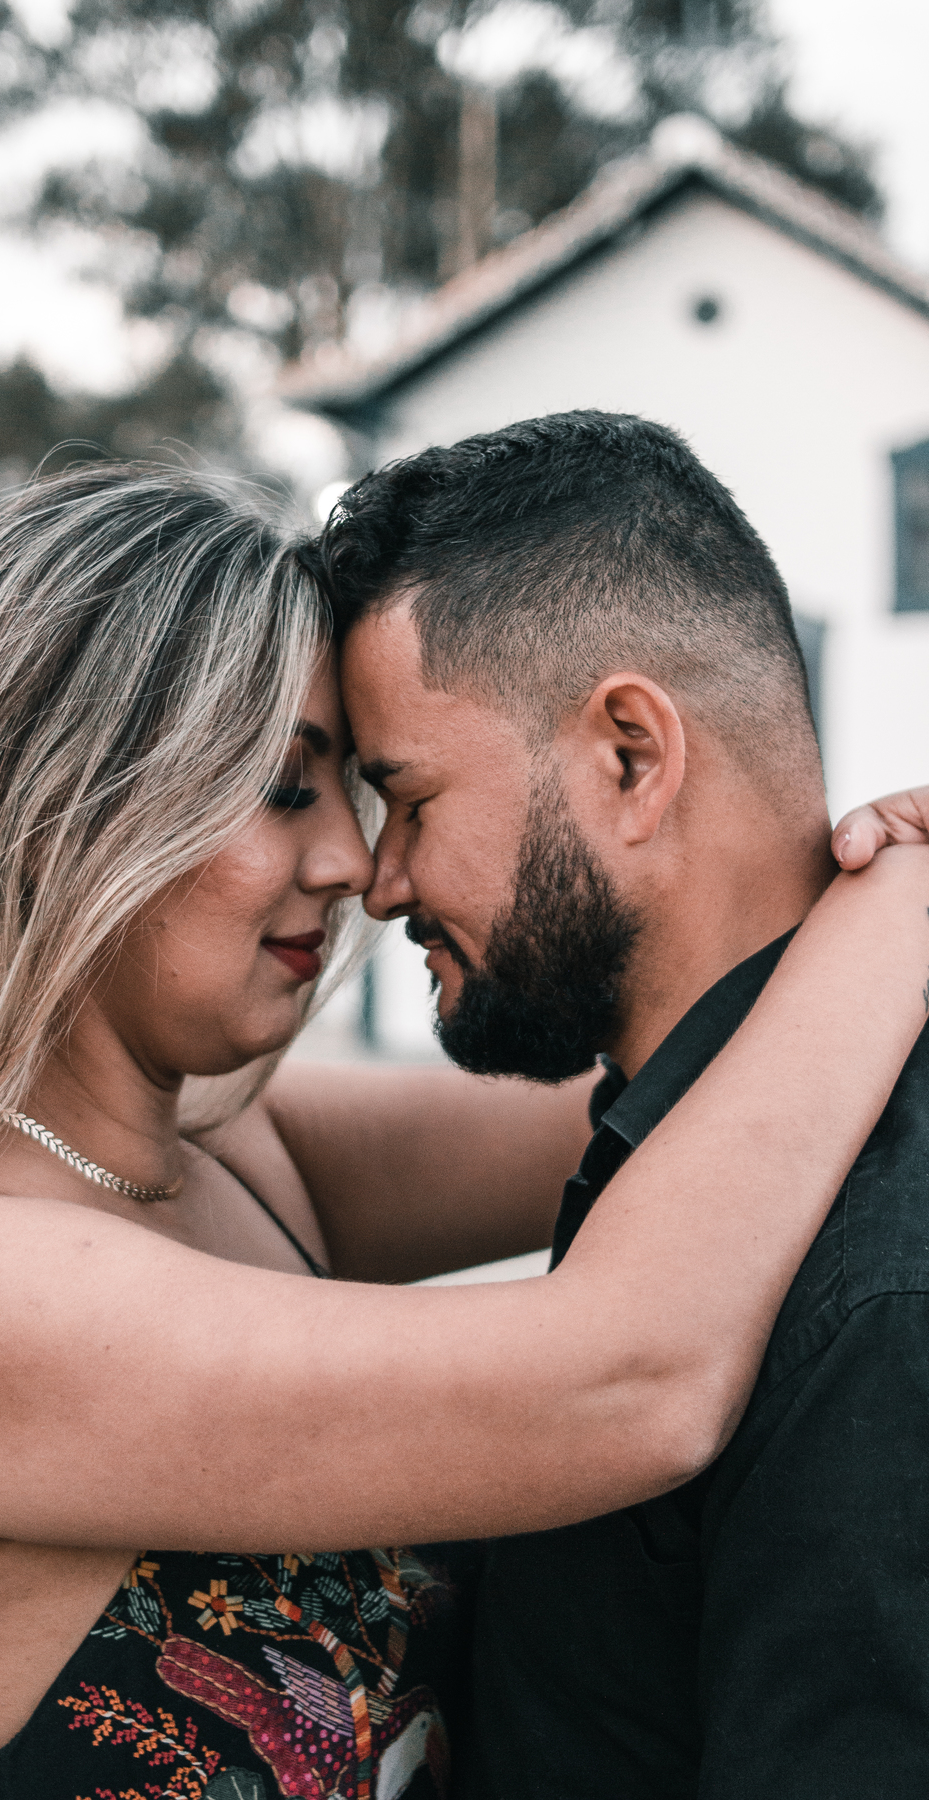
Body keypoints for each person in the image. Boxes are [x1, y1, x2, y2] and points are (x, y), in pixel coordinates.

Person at [0, 466, 924, 1800]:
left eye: (365, 792)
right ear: (69, 809)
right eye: (290, 788)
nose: (358, 864)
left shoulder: (243, 1155)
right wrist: (908, 904)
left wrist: (794, 876)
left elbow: (697, 1079)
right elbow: (633, 1375)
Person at [318, 409, 929, 1799]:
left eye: (405, 796)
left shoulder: (880, 1287)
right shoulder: (678, 1146)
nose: (382, 880)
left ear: (632, 759)